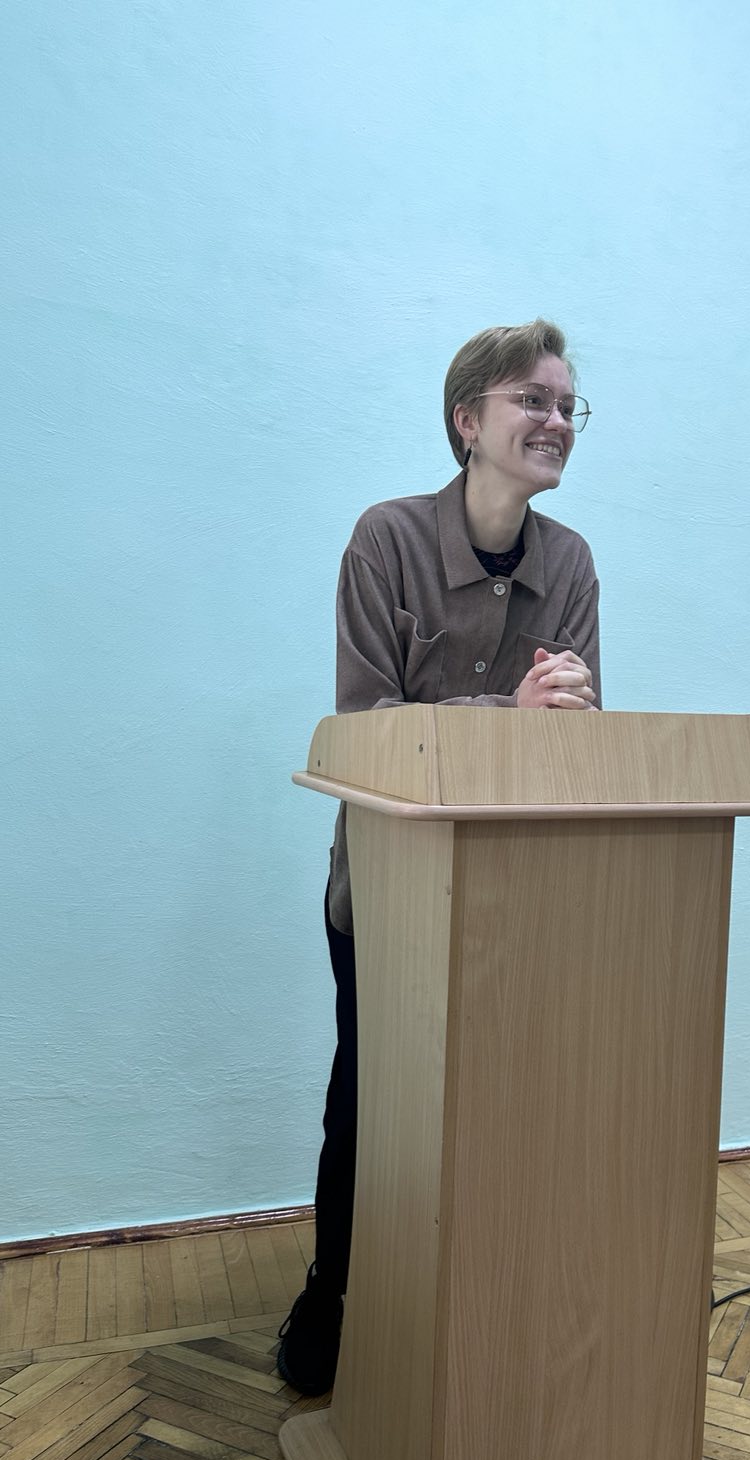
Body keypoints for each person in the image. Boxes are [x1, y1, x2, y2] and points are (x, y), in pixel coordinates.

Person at [277, 319, 602, 1393]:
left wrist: (565, 719)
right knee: (371, 1098)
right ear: (468, 419)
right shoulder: (386, 540)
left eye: (566, 404)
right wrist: (510, 714)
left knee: (506, 1103)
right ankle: (333, 1293)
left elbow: (577, 734)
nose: (556, 420)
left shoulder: (571, 563)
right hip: (385, 887)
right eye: (532, 400)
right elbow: (365, 727)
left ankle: (478, 1301)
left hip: (521, 890)